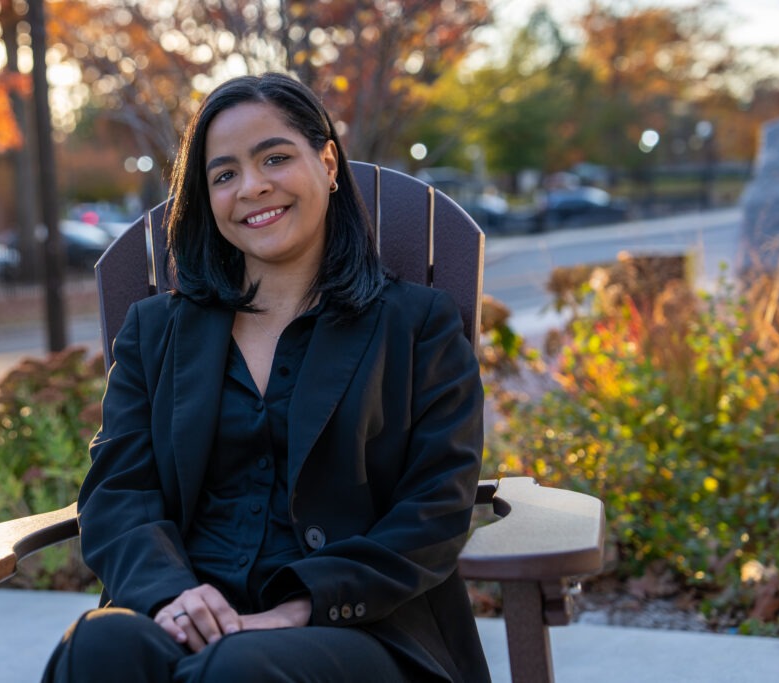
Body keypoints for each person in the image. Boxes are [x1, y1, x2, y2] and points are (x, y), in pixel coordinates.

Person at [43, 72, 489, 683]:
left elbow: (437, 504)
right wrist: (171, 594)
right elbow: (118, 492)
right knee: (98, 647)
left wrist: (301, 608)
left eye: (274, 158)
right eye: (224, 174)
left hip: (358, 631)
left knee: (236, 671)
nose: (251, 187)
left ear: (327, 163)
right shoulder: (156, 334)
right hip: (186, 617)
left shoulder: (416, 326)